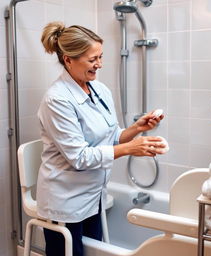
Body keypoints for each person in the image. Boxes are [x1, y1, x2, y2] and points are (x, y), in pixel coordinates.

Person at [37, 21, 165, 256]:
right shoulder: (57, 100)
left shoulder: (99, 89)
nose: (99, 64)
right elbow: (80, 157)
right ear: (68, 59)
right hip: (66, 201)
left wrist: (137, 128)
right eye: (92, 59)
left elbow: (112, 136)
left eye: (101, 57)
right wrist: (129, 149)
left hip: (93, 196)